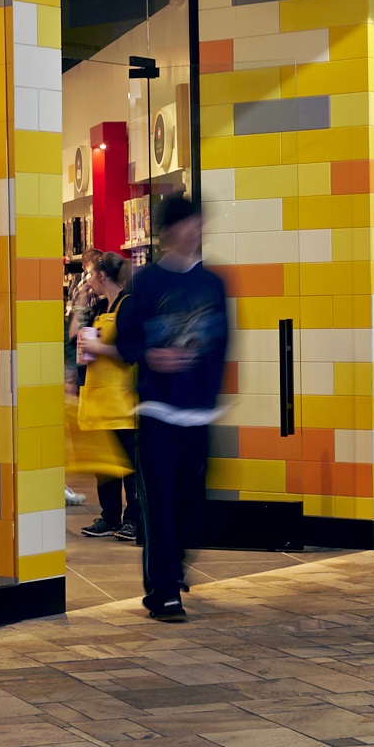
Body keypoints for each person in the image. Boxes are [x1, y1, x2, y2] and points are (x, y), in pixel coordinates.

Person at [105, 195, 230, 626]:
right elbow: (125, 341)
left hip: (198, 414)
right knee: (158, 505)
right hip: (157, 412)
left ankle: (173, 568)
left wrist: (215, 395)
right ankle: (163, 593)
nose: (195, 231)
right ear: (169, 231)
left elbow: (223, 343)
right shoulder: (147, 283)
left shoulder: (214, 285)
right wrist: (151, 356)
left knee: (192, 510)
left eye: (200, 223)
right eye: (188, 224)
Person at [72, 255, 138, 543]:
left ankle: (133, 519)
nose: (89, 281)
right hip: (99, 400)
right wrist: (80, 303)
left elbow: (130, 351)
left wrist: (100, 347)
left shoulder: (128, 305)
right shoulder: (99, 307)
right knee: (104, 467)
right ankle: (109, 516)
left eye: (91, 276)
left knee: (129, 467)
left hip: (122, 401)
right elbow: (74, 335)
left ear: (102, 276)